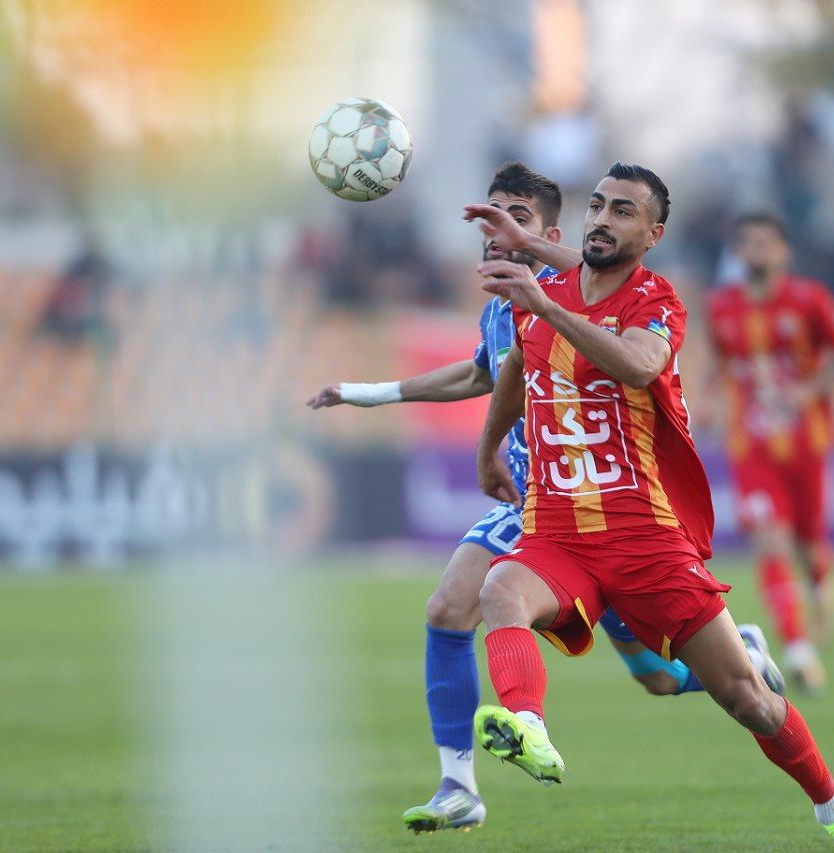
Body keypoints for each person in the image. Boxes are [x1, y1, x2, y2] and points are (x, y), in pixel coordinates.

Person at [308, 163, 784, 835]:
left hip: (611, 511)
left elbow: (620, 325)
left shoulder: (581, 295)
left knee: (656, 677)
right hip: (538, 512)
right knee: (448, 607)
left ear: (551, 236)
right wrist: (368, 393)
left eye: (519, 218)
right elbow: (479, 375)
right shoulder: (500, 309)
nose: (497, 228)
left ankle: (742, 655)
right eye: (491, 214)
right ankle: (458, 786)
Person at [471, 163, 834, 851]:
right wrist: (490, 447)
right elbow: (518, 366)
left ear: (654, 234)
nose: (603, 218)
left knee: (748, 699)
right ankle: (529, 726)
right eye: (598, 205)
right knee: (499, 590)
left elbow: (639, 365)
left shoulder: (656, 299)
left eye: (624, 211)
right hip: (557, 530)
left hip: (644, 537)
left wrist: (547, 305)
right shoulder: (543, 294)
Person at [702, 213, 834, 692]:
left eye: (766, 242)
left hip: (806, 442)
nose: (758, 250)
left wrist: (809, 391)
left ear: (784, 252)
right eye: (748, 242)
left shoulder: (809, 300)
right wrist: (706, 400)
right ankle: (798, 650)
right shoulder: (720, 306)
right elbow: (720, 364)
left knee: (811, 543)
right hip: (751, 445)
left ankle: (821, 585)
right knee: (771, 541)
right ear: (737, 253)